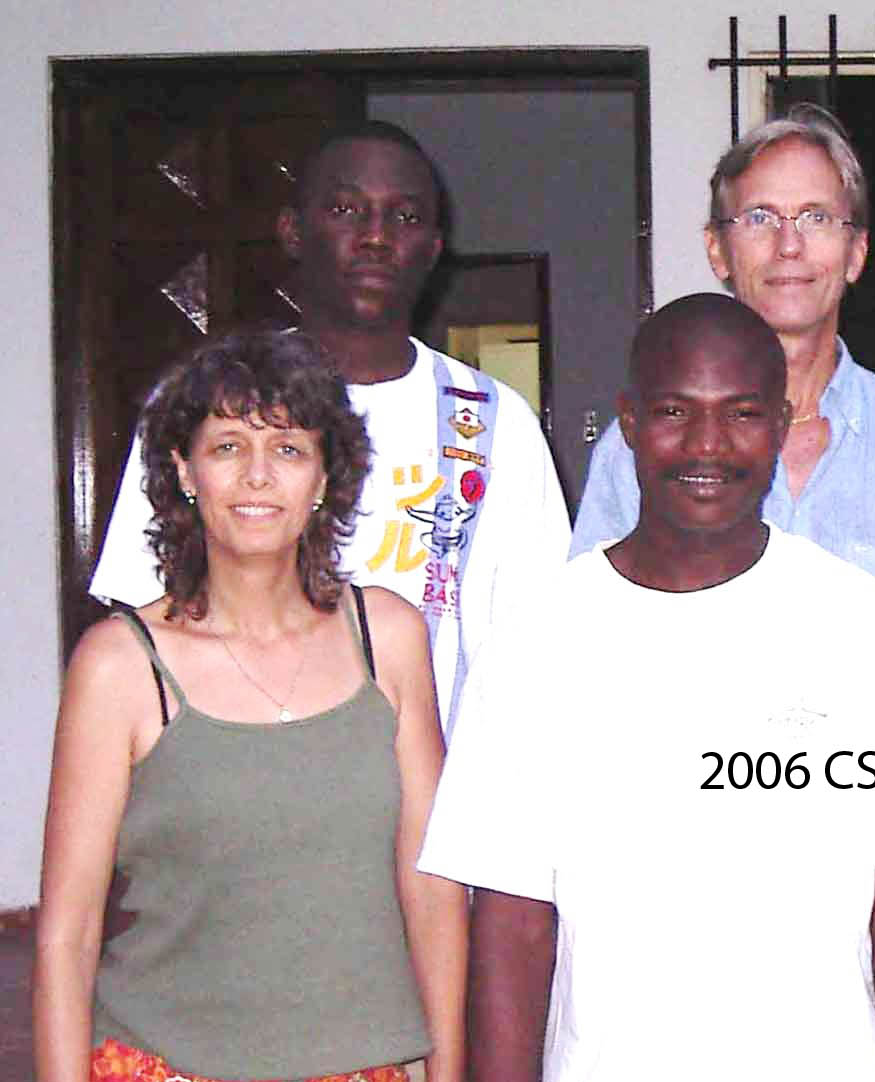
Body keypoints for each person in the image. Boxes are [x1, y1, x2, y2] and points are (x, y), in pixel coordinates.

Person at [419, 294, 875, 1082]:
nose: (708, 446)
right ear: (630, 423)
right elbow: (508, 931)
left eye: (742, 414)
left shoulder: (867, 628)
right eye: (676, 413)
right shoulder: (540, 637)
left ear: (781, 423)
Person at [23, 328, 465, 1082]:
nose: (258, 475)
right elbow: (66, 936)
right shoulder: (120, 666)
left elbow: (434, 884)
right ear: (185, 472)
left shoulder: (388, 639)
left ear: (325, 476)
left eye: (288, 447)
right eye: (228, 446)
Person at [90, 119, 572, 734]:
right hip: (245, 763)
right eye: (346, 209)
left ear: (432, 248)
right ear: (293, 230)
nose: (375, 237)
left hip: (447, 779)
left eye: (404, 217)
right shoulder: (205, 404)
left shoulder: (493, 421)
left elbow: (539, 639)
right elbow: (140, 621)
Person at [569, 104, 875, 608]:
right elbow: (590, 621)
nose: (789, 245)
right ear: (717, 249)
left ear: (857, 252)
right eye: (760, 217)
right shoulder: (641, 448)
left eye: (816, 217)